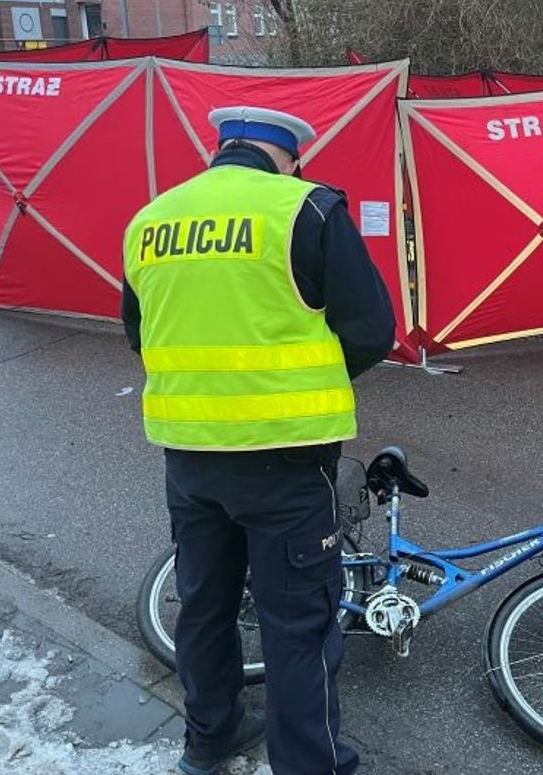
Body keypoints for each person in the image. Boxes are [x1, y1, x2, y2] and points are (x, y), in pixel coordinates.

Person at [121, 106, 395, 775]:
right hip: (286, 460)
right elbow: (371, 329)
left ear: (221, 150)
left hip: (188, 457)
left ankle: (209, 739)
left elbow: (140, 334)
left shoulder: (151, 220)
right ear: (291, 158)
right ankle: (309, 765)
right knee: (298, 625)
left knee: (206, 606)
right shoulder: (307, 209)